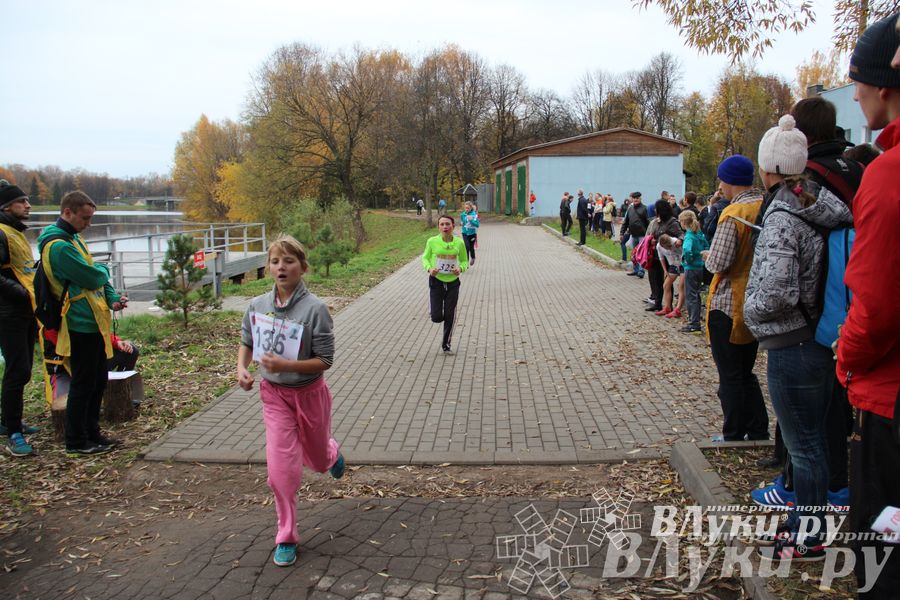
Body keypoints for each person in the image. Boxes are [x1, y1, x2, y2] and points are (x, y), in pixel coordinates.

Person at [745, 114, 852, 563]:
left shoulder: (782, 215)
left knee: (803, 444)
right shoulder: (818, 203)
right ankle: (804, 525)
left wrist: (749, 311)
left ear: (769, 168)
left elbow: (776, 291)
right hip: (824, 336)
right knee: (816, 440)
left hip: (793, 343)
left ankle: (808, 537)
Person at [836, 14, 900, 596]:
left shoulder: (887, 175)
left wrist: (846, 357)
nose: (852, 92)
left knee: (885, 557)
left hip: (891, 401)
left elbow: (876, 305)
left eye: (858, 80)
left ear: (885, 84)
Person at [237, 235, 345, 568]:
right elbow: (246, 341)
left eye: (288, 261)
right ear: (268, 267)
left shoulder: (315, 310)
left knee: (314, 459)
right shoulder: (257, 305)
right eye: (275, 261)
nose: (281, 267)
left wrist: (288, 366)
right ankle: (286, 535)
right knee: (281, 471)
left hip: (309, 395)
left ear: (302, 267)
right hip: (274, 397)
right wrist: (240, 368)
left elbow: (325, 360)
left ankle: (329, 452)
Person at [38, 191, 127, 457]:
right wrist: (103, 271)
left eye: (90, 219)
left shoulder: (73, 238)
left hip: (94, 321)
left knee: (98, 379)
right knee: (84, 382)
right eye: (84, 218)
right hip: (78, 325)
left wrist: (111, 297)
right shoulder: (59, 246)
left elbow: (97, 279)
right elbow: (92, 275)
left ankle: (92, 431)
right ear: (67, 212)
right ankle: (76, 439)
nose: (88, 224)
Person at [702, 155, 768, 443]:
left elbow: (719, 262)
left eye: (721, 179)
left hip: (729, 303)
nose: (720, 185)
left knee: (729, 375)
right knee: (745, 371)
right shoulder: (765, 206)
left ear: (729, 181)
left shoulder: (735, 213)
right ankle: (757, 429)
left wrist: (707, 256)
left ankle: (733, 433)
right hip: (754, 299)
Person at [0, 180, 37, 457]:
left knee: (23, 370)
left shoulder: (14, 231)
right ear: (6, 206)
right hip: (9, 313)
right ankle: (13, 431)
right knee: (17, 371)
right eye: (21, 202)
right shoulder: (1, 232)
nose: (28, 205)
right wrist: (22, 294)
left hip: (25, 311)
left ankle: (10, 420)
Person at [423, 215, 468, 354]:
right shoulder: (432, 241)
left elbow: (464, 261)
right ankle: (434, 311)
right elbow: (425, 258)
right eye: (442, 224)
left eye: (447, 224)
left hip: (453, 283)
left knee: (450, 314)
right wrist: (430, 269)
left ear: (453, 226)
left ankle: (446, 344)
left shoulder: (459, 243)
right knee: (437, 317)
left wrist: (460, 269)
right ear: (438, 227)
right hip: (436, 281)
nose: (445, 227)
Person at [645, 200, 683, 313]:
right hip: (655, 253)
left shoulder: (672, 222)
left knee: (666, 280)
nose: (655, 211)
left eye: (657, 209)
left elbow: (680, 234)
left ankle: (668, 305)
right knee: (654, 278)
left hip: (668, 254)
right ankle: (657, 302)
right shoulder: (656, 221)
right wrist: (651, 239)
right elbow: (652, 233)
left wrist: (679, 240)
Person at [678, 210, 707, 334]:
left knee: (691, 295)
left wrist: (687, 260)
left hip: (691, 268)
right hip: (700, 267)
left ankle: (693, 322)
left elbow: (686, 249)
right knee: (697, 294)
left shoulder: (689, 235)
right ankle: (695, 321)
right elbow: (707, 246)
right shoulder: (699, 234)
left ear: (683, 222)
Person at [656, 234, 684, 318]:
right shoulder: (659, 246)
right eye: (667, 247)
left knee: (681, 287)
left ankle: (678, 310)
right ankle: (667, 307)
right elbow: (661, 258)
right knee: (666, 285)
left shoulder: (676, 242)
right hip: (673, 265)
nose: (670, 249)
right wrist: (665, 270)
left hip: (683, 264)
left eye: (670, 246)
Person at [621, 192, 648, 277]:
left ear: (640, 198)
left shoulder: (644, 208)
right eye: (634, 198)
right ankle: (636, 270)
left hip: (642, 235)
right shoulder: (630, 209)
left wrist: (649, 234)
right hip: (633, 235)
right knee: (634, 254)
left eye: (637, 198)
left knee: (641, 253)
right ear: (632, 199)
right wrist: (622, 232)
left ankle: (641, 271)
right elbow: (625, 222)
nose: (635, 199)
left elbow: (649, 222)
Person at [459, 200, 480, 266]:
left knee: (471, 247)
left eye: (468, 208)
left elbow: (477, 225)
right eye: (466, 208)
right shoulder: (462, 214)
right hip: (464, 232)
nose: (466, 209)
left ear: (471, 208)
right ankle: (466, 262)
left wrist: (471, 220)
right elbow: (462, 222)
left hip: (472, 234)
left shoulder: (474, 215)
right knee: (466, 247)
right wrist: (461, 223)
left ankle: (473, 258)